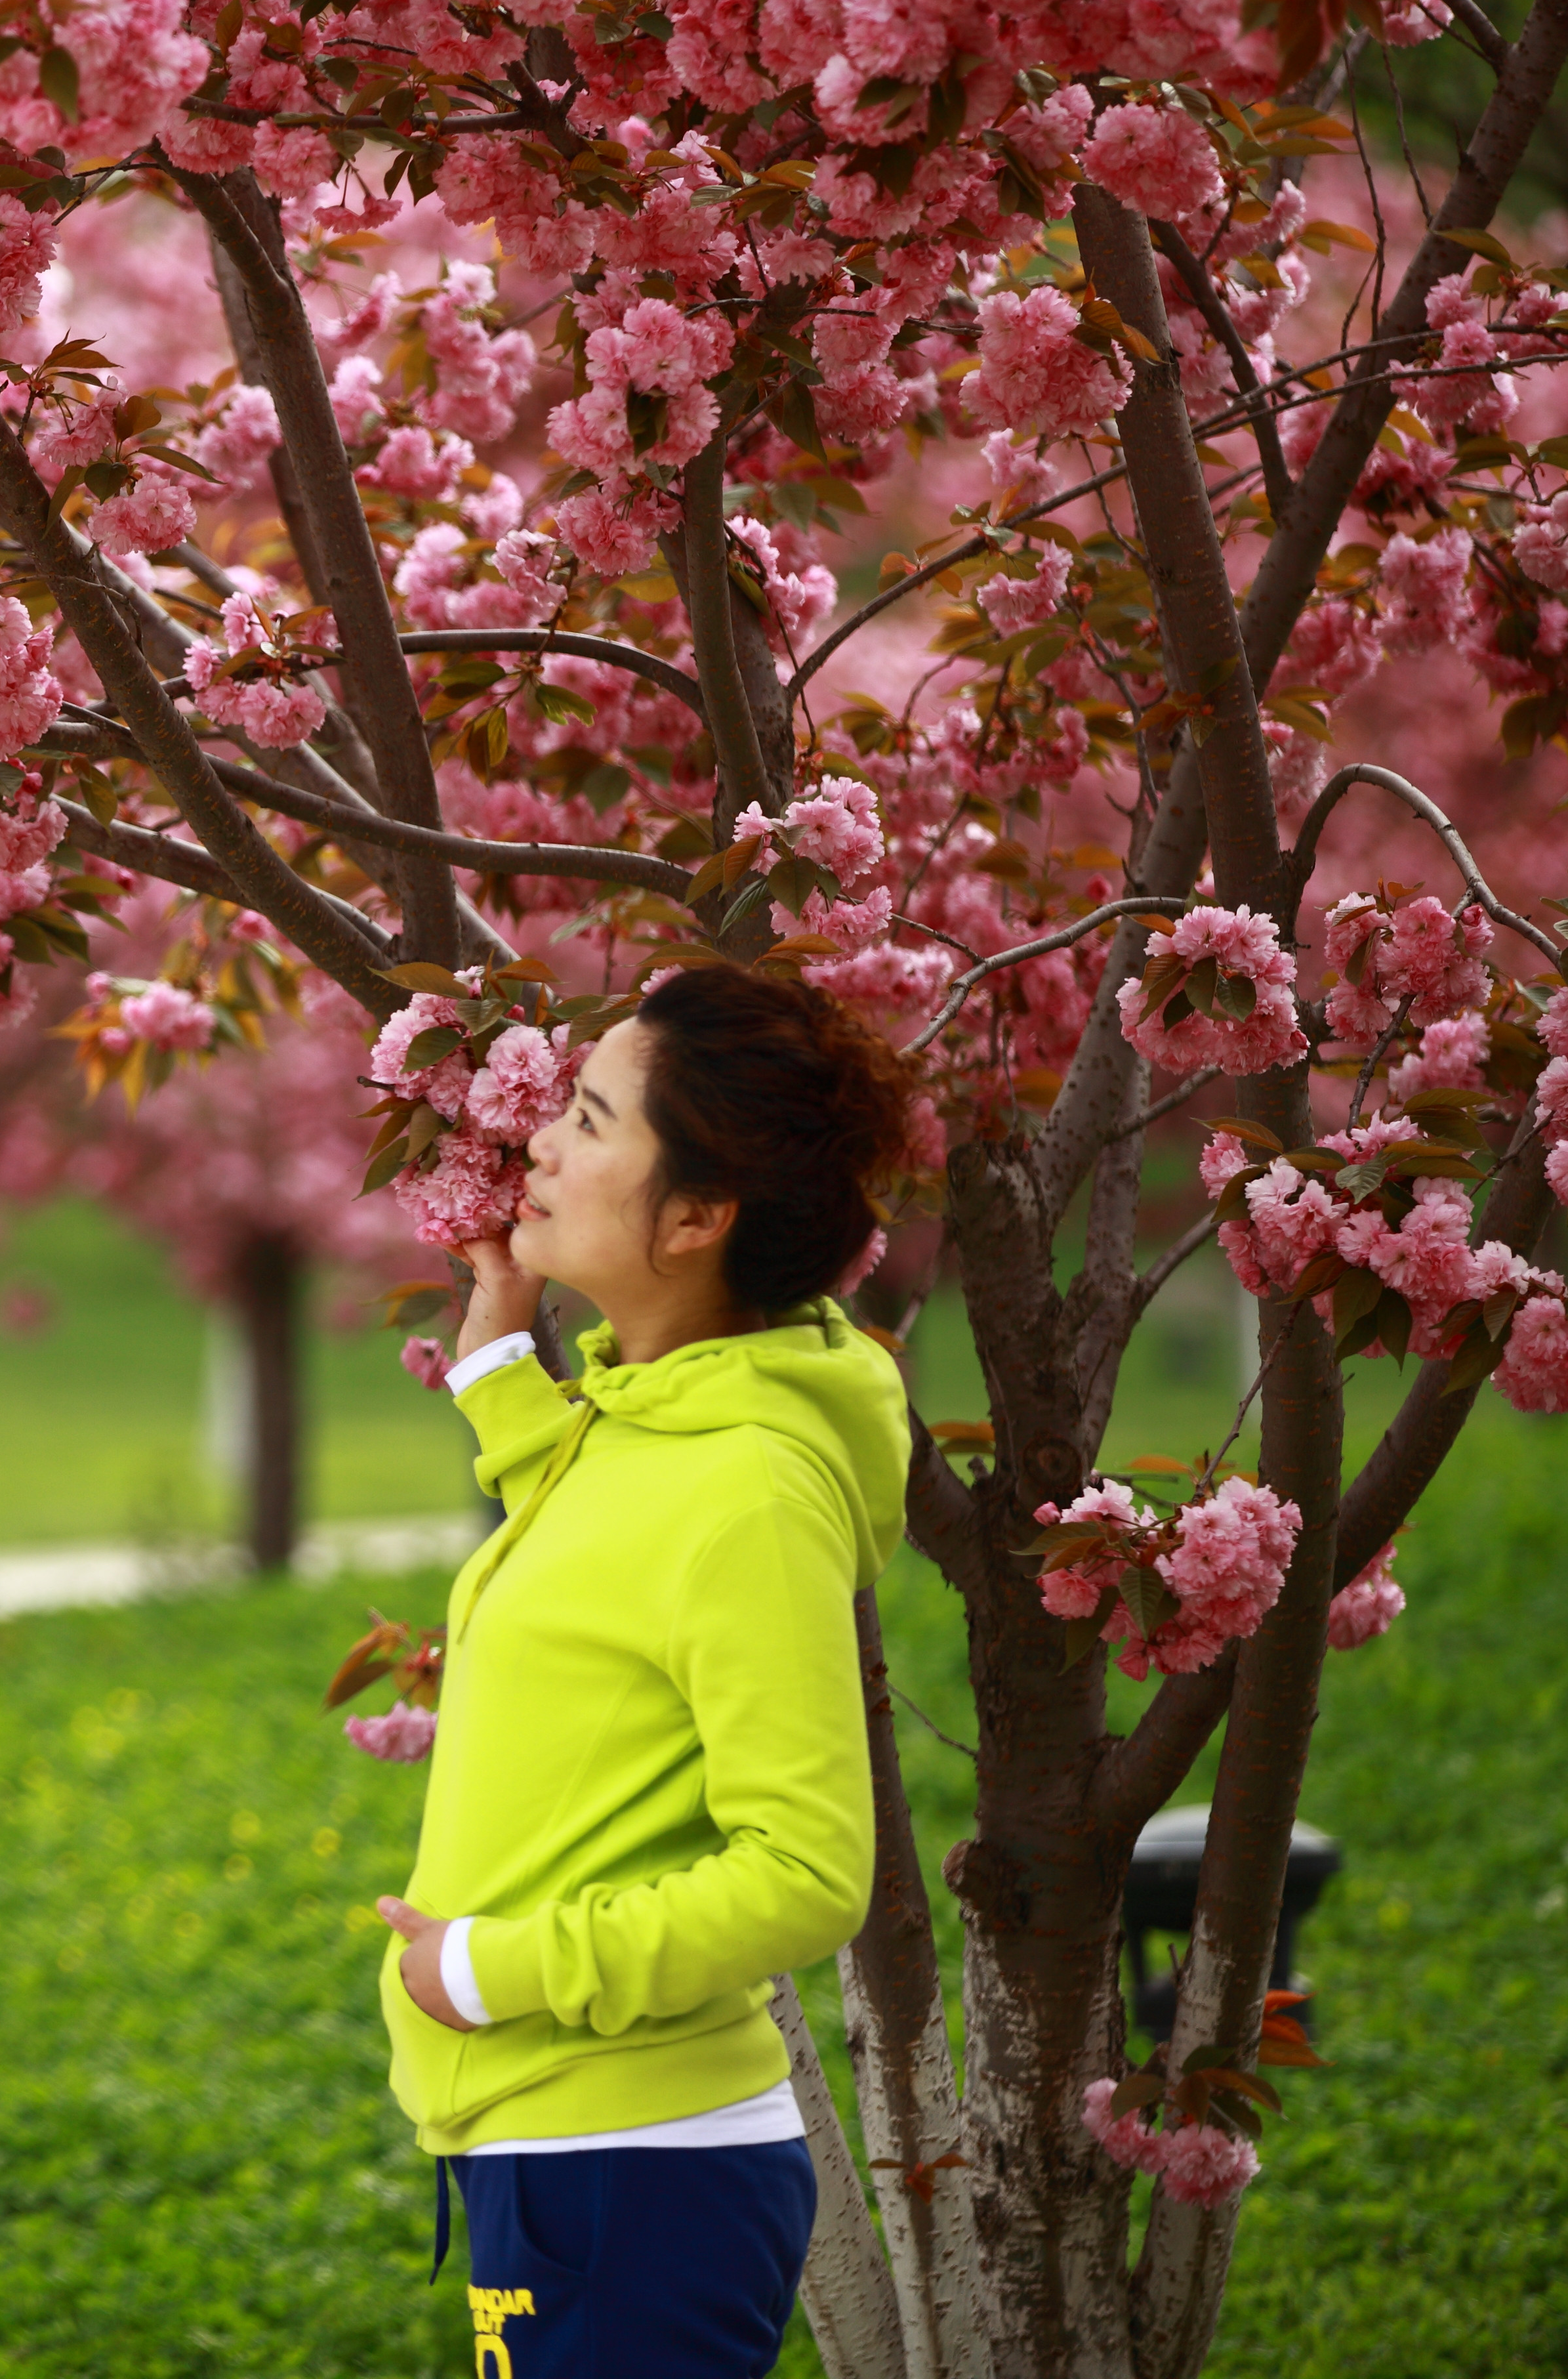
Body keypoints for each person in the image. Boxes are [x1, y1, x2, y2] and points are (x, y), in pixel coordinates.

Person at [369, 959, 915, 2379]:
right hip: (571, 2142)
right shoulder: (665, 1414)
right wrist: (499, 1366)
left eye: (594, 1121)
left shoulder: (752, 1490)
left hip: (629, 2162)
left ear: (697, 1216)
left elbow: (806, 1871)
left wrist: (488, 1972)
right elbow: (614, 1544)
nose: (542, 1141)